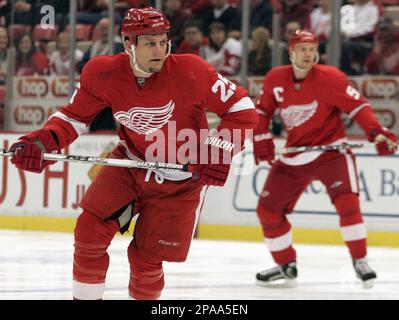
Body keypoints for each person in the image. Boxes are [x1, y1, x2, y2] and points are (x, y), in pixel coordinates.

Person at [9, 7, 257, 300]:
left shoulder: (192, 71)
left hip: (181, 182)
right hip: (131, 163)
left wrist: (220, 152)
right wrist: (43, 141)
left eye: (164, 41)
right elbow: (74, 117)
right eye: (150, 42)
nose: (160, 50)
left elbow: (242, 109)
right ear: (129, 43)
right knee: (88, 233)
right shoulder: (102, 73)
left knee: (146, 259)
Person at [252, 29, 398, 288]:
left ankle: (360, 260)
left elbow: (359, 107)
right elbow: (262, 110)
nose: (308, 54)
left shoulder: (331, 78)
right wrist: (261, 136)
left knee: (347, 204)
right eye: (303, 49)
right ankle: (286, 264)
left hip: (331, 152)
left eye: (312, 49)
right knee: (268, 210)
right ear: (291, 52)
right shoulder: (275, 78)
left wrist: (375, 132)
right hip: (295, 154)